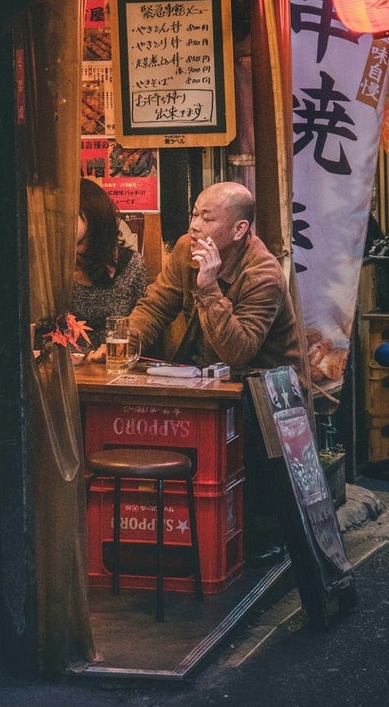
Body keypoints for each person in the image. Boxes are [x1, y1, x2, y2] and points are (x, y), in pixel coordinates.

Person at [125, 180, 306, 565]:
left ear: (239, 229)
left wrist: (208, 289)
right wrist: (125, 342)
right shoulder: (184, 251)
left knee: (248, 436)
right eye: (194, 214)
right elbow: (157, 304)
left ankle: (262, 537)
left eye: (206, 218)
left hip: (267, 389)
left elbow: (239, 351)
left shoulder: (263, 275)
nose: (194, 226)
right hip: (207, 376)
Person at [69, 178, 147, 356]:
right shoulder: (51, 266)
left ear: (94, 216)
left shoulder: (131, 266)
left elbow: (145, 323)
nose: (62, 223)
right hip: (63, 369)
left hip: (115, 366)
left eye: (72, 215)